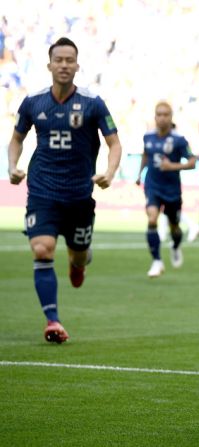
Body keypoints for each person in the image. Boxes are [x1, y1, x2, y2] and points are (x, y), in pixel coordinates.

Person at [7, 37, 122, 343]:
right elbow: (16, 138)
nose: (64, 65)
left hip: (79, 195)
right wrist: (12, 166)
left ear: (77, 65)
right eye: (59, 60)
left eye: (69, 60)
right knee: (42, 248)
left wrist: (109, 173)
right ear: (49, 64)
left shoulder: (93, 103)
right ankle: (52, 320)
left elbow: (114, 143)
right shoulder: (33, 102)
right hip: (43, 190)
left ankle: (77, 263)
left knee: (80, 255)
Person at [136, 101, 196, 278]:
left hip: (172, 190)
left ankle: (176, 245)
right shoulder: (148, 137)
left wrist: (173, 166)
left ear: (171, 118)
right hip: (152, 185)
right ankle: (156, 261)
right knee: (152, 218)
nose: (162, 118)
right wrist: (140, 174)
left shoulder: (179, 140)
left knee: (174, 227)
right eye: (159, 114)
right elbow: (145, 154)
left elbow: (192, 162)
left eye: (166, 115)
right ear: (155, 117)